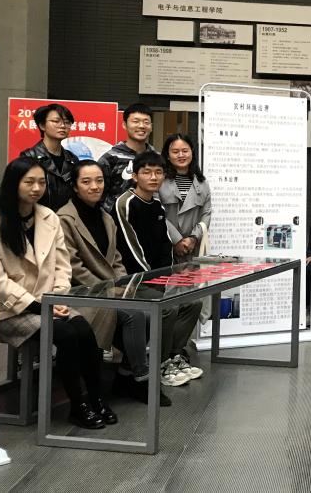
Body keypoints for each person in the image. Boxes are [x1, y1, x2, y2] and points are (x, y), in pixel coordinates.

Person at [0, 157, 116, 429]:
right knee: (66, 335)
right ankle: (77, 405)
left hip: (50, 302)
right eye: (29, 182)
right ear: (13, 184)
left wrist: (57, 298)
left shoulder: (49, 217)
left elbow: (62, 267)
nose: (36, 188)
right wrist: (40, 306)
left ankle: (96, 398)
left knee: (85, 330)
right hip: (12, 310)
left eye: (41, 182)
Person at [57, 160, 171, 407]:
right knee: (135, 315)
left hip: (110, 289)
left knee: (153, 312)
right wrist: (108, 290)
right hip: (81, 294)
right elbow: (73, 266)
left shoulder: (105, 216)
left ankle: (125, 374)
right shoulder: (65, 218)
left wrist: (122, 285)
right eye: (86, 181)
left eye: (99, 181)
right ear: (75, 186)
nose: (94, 186)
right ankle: (141, 378)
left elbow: (116, 258)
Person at [114, 151, 203, 387]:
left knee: (193, 302)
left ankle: (173, 356)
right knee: (167, 308)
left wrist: (168, 276)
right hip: (134, 281)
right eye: (147, 172)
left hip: (158, 279)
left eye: (158, 172)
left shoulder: (156, 205)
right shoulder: (125, 203)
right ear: (135, 176)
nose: (153, 177)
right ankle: (160, 363)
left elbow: (165, 244)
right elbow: (131, 247)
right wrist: (154, 279)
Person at [158, 134, 211, 263]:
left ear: (192, 152)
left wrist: (193, 238)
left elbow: (206, 214)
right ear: (168, 155)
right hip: (166, 245)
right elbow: (157, 212)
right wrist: (176, 240)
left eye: (185, 151)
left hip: (193, 248)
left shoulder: (202, 183)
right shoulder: (159, 181)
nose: (181, 155)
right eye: (175, 152)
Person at [20, 103, 80, 211]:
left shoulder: (72, 159)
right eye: (56, 121)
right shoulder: (29, 157)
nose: (63, 126)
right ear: (42, 126)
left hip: (67, 218)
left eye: (67, 122)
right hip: (39, 217)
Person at [98, 103, 156, 213]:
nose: (141, 126)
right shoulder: (110, 158)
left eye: (146, 122)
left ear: (151, 126)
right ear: (124, 125)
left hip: (149, 218)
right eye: (136, 121)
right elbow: (98, 194)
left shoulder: (157, 158)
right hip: (116, 219)